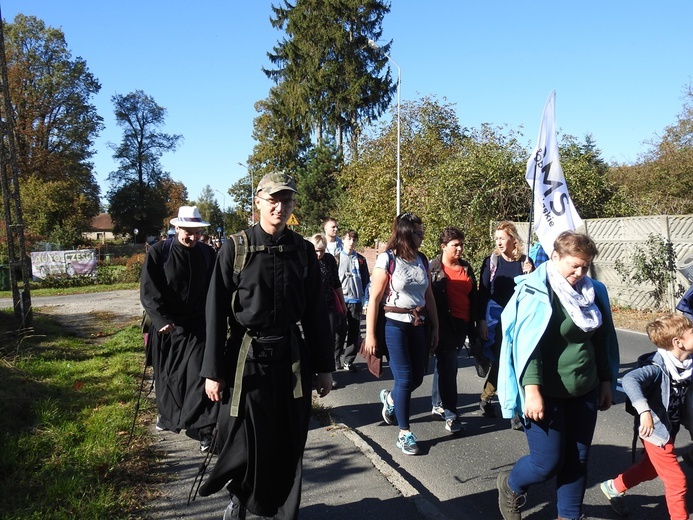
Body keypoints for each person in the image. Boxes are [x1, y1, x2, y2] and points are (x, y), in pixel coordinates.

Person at [199, 172, 334, 520]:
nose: (280, 206)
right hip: (246, 359)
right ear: (257, 201)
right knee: (244, 439)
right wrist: (213, 371)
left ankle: (285, 511)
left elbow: (318, 313)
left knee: (289, 438)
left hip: (291, 357)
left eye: (286, 200)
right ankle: (241, 497)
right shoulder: (235, 247)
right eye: (273, 199)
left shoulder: (303, 250)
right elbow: (214, 313)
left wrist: (324, 367)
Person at [496, 231, 620, 520]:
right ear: (555, 257)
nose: (579, 272)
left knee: (578, 459)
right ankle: (511, 485)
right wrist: (532, 389)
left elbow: (602, 341)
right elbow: (528, 345)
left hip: (584, 388)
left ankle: (569, 515)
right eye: (573, 265)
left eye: (585, 266)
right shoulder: (536, 291)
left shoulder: (594, 292)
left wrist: (605, 381)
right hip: (545, 391)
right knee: (546, 463)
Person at [140, 205, 218, 452]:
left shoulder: (207, 253)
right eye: (187, 231)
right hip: (168, 328)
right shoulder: (159, 252)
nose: (192, 237)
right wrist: (161, 319)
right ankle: (169, 417)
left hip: (198, 327)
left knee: (200, 376)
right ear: (175, 228)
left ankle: (206, 429)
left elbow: (217, 288)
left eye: (196, 232)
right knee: (168, 378)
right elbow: (148, 290)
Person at [600, 314, 693, 520]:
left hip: (672, 427)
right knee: (677, 481)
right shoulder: (656, 366)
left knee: (650, 469)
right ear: (678, 342)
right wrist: (644, 412)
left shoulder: (686, 365)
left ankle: (613, 487)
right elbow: (630, 380)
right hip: (656, 430)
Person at [363, 212, 439, 456]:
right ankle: (404, 433)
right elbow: (374, 299)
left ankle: (391, 400)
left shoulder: (422, 260)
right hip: (393, 325)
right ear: (406, 233)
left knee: (417, 377)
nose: (422, 235)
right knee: (405, 379)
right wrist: (370, 336)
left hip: (418, 324)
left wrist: (436, 326)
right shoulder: (387, 260)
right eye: (418, 232)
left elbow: (429, 296)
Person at [477, 221, 533, 422]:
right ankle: (513, 410)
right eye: (496, 239)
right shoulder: (492, 261)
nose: (498, 242)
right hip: (497, 319)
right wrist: (481, 320)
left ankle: (488, 397)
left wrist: (530, 274)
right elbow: (482, 292)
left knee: (515, 359)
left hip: (519, 317)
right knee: (506, 359)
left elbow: (532, 291)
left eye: (502, 238)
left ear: (512, 239)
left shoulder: (525, 262)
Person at [429, 227, 477, 435]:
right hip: (443, 324)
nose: (460, 248)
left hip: (462, 325)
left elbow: (473, 296)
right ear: (443, 246)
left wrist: (478, 322)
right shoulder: (433, 268)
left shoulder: (466, 267)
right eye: (455, 245)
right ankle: (451, 414)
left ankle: (438, 402)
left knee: (445, 364)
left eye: (461, 244)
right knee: (450, 368)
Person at [309, 233, 347, 387]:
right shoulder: (306, 259)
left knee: (329, 340)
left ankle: (327, 374)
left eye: (322, 251)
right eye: (316, 251)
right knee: (311, 340)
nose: (319, 254)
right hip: (310, 307)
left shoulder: (330, 259)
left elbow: (336, 282)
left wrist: (342, 303)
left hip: (328, 305)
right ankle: (311, 374)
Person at [336, 230, 370, 372]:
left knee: (354, 332)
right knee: (339, 332)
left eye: (354, 239)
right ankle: (335, 358)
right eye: (349, 239)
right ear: (343, 240)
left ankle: (348, 361)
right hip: (341, 300)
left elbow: (366, 281)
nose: (351, 242)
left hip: (356, 301)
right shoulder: (336, 258)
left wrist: (366, 300)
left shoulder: (361, 260)